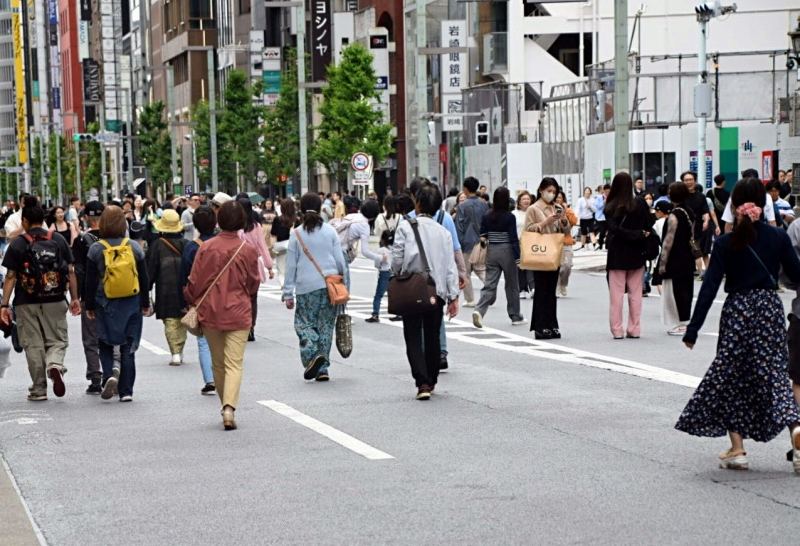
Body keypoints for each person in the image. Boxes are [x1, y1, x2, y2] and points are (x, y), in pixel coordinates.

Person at [677, 179, 800, 472]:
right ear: (764, 204)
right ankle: (796, 431)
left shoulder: (724, 243)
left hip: (738, 312)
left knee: (732, 378)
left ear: (734, 207)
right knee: (774, 376)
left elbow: (708, 288)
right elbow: (796, 275)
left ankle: (738, 449)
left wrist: (693, 330)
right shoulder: (778, 237)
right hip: (769, 309)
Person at [184, 201, 260, 430]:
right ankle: (229, 408)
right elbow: (253, 283)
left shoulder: (206, 248)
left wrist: (189, 298)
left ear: (220, 221)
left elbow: (195, 282)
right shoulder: (247, 249)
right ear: (242, 222)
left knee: (218, 363)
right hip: (238, 312)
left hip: (211, 313)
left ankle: (224, 404)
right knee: (234, 363)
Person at [0, 196, 81, 400]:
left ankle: (39, 389)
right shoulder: (58, 239)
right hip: (54, 298)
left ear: (25, 222)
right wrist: (74, 298)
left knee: (33, 344)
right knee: (57, 339)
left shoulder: (18, 244)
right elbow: (70, 270)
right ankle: (55, 364)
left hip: (26, 301)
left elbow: (10, 276)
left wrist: (4, 305)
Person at [392, 185, 460, 400]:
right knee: (432, 335)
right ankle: (431, 380)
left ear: (417, 203)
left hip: (412, 288)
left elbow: (396, 260)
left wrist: (399, 273)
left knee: (412, 335)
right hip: (436, 290)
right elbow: (450, 267)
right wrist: (453, 296)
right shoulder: (444, 233)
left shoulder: (405, 227)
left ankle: (421, 383)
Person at [83, 206, 150, 402]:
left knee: (104, 342)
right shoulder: (134, 247)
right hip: (131, 301)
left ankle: (109, 374)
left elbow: (90, 281)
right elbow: (144, 279)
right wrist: (145, 303)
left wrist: (90, 307)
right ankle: (126, 391)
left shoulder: (96, 248)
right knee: (128, 346)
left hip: (106, 302)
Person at [282, 193, 347, 382]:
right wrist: (343, 282)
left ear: (301, 209)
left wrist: (288, 292)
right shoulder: (330, 231)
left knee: (304, 324)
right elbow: (340, 261)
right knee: (326, 325)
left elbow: (291, 266)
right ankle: (323, 367)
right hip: (328, 285)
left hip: (305, 288)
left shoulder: (296, 234)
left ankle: (312, 354)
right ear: (320, 208)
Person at [605, 172, 654, 340]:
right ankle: (634, 329)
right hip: (637, 252)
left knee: (616, 295)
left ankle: (617, 330)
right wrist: (638, 234)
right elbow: (649, 223)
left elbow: (613, 229)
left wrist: (630, 234)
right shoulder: (640, 203)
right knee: (635, 294)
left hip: (617, 253)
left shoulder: (611, 205)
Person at [471, 187, 526, 328]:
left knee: (489, 284)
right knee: (512, 285)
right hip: (507, 250)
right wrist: (518, 258)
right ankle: (515, 315)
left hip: (492, 251)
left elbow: (483, 235)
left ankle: (479, 311)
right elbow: (513, 238)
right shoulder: (510, 217)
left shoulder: (487, 216)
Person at [524, 178, 572, 340]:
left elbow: (566, 231)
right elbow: (528, 229)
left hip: (554, 251)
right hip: (540, 251)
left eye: (554, 192)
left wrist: (564, 220)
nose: (551, 194)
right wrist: (544, 223)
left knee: (552, 290)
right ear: (541, 190)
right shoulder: (533, 208)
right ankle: (540, 326)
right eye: (549, 191)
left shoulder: (557, 208)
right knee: (541, 289)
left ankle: (552, 324)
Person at [179, 206, 218, 396]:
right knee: (224, 339)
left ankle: (210, 381)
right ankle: (224, 376)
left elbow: (184, 277)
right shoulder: (222, 244)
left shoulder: (191, 247)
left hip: (200, 299)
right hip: (223, 297)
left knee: (203, 341)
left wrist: (185, 301)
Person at [146, 209, 189, 365]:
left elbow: (149, 270)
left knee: (170, 321)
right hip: (185, 290)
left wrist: (147, 289)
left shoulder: (157, 245)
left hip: (165, 289)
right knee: (183, 320)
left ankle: (175, 352)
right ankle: (180, 349)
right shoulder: (186, 244)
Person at [72, 201, 106, 394]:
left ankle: (95, 377)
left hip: (89, 294)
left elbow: (77, 271)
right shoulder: (116, 238)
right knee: (114, 335)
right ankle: (114, 371)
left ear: (86, 218)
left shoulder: (81, 241)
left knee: (91, 337)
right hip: (115, 294)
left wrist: (76, 297)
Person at [658, 182, 697, 336]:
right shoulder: (690, 212)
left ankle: (681, 324)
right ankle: (686, 321)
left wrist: (662, 263)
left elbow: (668, 241)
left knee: (675, 292)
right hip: (688, 256)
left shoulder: (674, 215)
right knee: (686, 290)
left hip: (675, 258)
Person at [237, 197, 274, 341]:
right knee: (253, 298)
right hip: (254, 264)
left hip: (239, 265)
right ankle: (251, 327)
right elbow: (262, 247)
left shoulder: (235, 226)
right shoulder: (256, 226)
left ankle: (243, 326)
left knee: (241, 297)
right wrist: (269, 266)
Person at [455, 177, 489, 307]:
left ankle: (470, 300)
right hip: (481, 242)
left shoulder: (462, 206)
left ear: (465, 189)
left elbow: (460, 226)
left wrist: (459, 244)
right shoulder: (484, 205)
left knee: (465, 272)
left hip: (467, 243)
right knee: (481, 269)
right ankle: (490, 288)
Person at [365, 229, 393, 323]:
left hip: (384, 272)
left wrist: (379, 266)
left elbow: (377, 263)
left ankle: (375, 314)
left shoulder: (381, 250)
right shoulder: (395, 249)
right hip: (394, 273)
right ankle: (400, 314)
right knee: (394, 294)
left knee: (378, 295)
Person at [271, 198, 300, 286]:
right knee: (295, 270)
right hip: (295, 248)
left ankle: (285, 289)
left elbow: (273, 233)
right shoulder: (297, 220)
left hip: (281, 248)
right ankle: (293, 289)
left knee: (282, 272)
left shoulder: (277, 220)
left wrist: (272, 248)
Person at [555, 191, 579, 297]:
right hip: (554, 242)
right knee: (557, 266)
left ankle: (563, 284)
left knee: (567, 265)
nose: (557, 200)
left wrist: (565, 212)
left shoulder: (567, 210)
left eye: (559, 198)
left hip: (566, 241)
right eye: (556, 198)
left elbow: (573, 222)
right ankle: (558, 287)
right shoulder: (550, 210)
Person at [513, 191, 535, 299]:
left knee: (531, 265)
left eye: (528, 199)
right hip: (518, 241)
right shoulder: (514, 214)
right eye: (524, 199)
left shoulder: (534, 212)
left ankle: (532, 287)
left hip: (532, 241)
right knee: (521, 266)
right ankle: (522, 289)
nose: (526, 201)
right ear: (519, 202)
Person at [594, 184, 610, 250]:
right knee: (602, 231)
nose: (607, 193)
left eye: (609, 191)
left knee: (609, 231)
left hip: (608, 217)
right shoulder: (599, 197)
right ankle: (600, 244)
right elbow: (597, 207)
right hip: (601, 217)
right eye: (606, 191)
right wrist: (604, 202)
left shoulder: (611, 197)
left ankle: (607, 245)